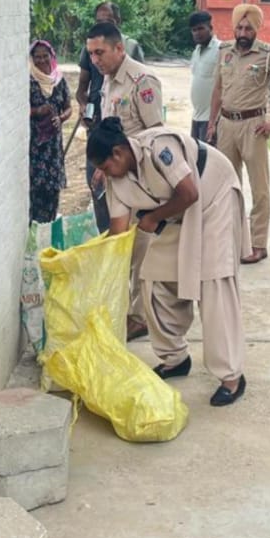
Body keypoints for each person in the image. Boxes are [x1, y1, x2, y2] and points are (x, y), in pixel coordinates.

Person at [86, 117, 250, 406]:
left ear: (118, 153)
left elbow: (189, 192)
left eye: (104, 166)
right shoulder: (118, 180)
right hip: (176, 213)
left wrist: (152, 218)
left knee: (214, 282)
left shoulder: (158, 147)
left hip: (214, 197)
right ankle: (175, 358)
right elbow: (118, 232)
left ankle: (231, 377)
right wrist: (92, 264)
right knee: (152, 279)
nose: (103, 174)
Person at [86, 20, 165, 341]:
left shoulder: (142, 82)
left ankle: (140, 316)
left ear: (119, 48)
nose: (95, 60)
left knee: (141, 251)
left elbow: (158, 136)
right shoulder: (108, 79)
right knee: (121, 246)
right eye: (91, 54)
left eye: (100, 52)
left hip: (139, 181)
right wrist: (102, 167)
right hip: (116, 178)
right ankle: (125, 309)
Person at [207, 3, 270, 264]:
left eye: (248, 28)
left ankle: (258, 244)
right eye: (239, 27)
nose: (243, 33)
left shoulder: (268, 54)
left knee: (260, 189)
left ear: (256, 30)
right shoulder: (224, 51)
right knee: (227, 186)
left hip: (253, 127)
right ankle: (233, 240)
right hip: (226, 124)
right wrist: (212, 122)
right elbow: (217, 89)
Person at [77, 1, 146, 233]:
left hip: (125, 140)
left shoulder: (131, 51)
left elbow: (150, 127)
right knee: (98, 188)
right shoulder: (94, 55)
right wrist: (84, 107)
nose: (96, 59)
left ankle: (123, 238)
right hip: (98, 128)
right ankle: (107, 236)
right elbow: (82, 89)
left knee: (125, 194)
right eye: (99, 21)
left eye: (108, 20)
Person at [28, 40, 72, 223]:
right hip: (34, 147)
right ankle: (33, 227)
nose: (41, 60)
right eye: (37, 57)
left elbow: (69, 108)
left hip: (53, 147)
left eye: (45, 56)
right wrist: (38, 111)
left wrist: (61, 118)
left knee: (52, 191)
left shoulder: (59, 80)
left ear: (51, 56)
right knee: (34, 191)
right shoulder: (28, 81)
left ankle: (48, 225)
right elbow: (18, 110)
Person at [189, 11, 221, 143]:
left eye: (201, 28)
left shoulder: (220, 50)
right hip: (196, 117)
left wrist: (214, 121)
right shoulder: (196, 51)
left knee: (209, 154)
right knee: (194, 153)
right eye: (194, 30)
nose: (197, 33)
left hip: (211, 120)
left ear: (210, 28)